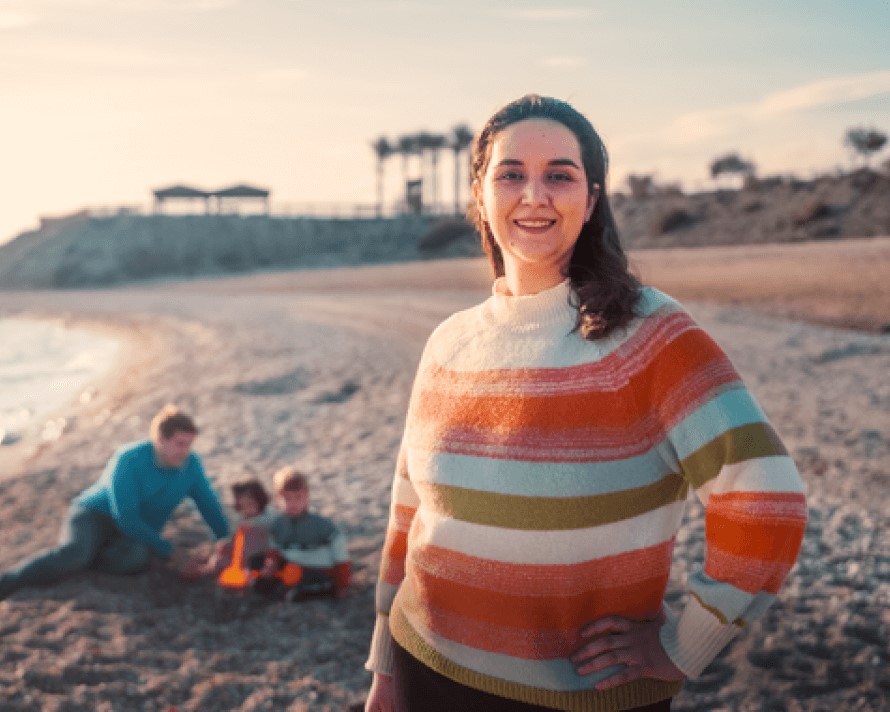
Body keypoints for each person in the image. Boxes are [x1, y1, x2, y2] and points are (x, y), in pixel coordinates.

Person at [364, 95, 807, 712]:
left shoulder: (648, 335)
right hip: (424, 667)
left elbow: (767, 498)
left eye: (560, 175)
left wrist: (686, 644)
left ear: (592, 199)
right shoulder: (449, 342)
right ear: (481, 196)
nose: (534, 194)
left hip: (581, 699)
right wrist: (385, 664)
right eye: (511, 173)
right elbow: (407, 515)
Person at [0, 404, 231, 600]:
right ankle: (7, 582)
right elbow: (127, 517)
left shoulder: (190, 465)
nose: (186, 451)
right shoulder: (129, 459)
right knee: (75, 554)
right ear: (160, 441)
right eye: (180, 444)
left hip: (135, 528)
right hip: (95, 515)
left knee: (136, 560)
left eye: (189, 444)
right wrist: (173, 553)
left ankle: (94, 557)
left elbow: (208, 504)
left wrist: (224, 540)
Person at [250, 466, 351, 601]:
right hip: (291, 567)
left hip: (317, 569)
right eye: (287, 498)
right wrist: (271, 564)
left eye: (298, 497)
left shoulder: (321, 525)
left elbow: (340, 554)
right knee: (257, 566)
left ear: (307, 496)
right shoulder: (278, 524)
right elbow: (274, 550)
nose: (293, 503)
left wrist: (343, 584)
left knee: (306, 588)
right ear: (278, 497)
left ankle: (306, 591)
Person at [179, 477, 271, 580]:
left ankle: (204, 570)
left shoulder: (264, 520)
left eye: (251, 505)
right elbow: (237, 539)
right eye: (243, 506)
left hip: (254, 557)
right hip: (243, 551)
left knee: (223, 561)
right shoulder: (244, 518)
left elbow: (258, 545)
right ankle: (206, 565)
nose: (247, 510)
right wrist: (228, 545)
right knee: (221, 550)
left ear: (260, 500)